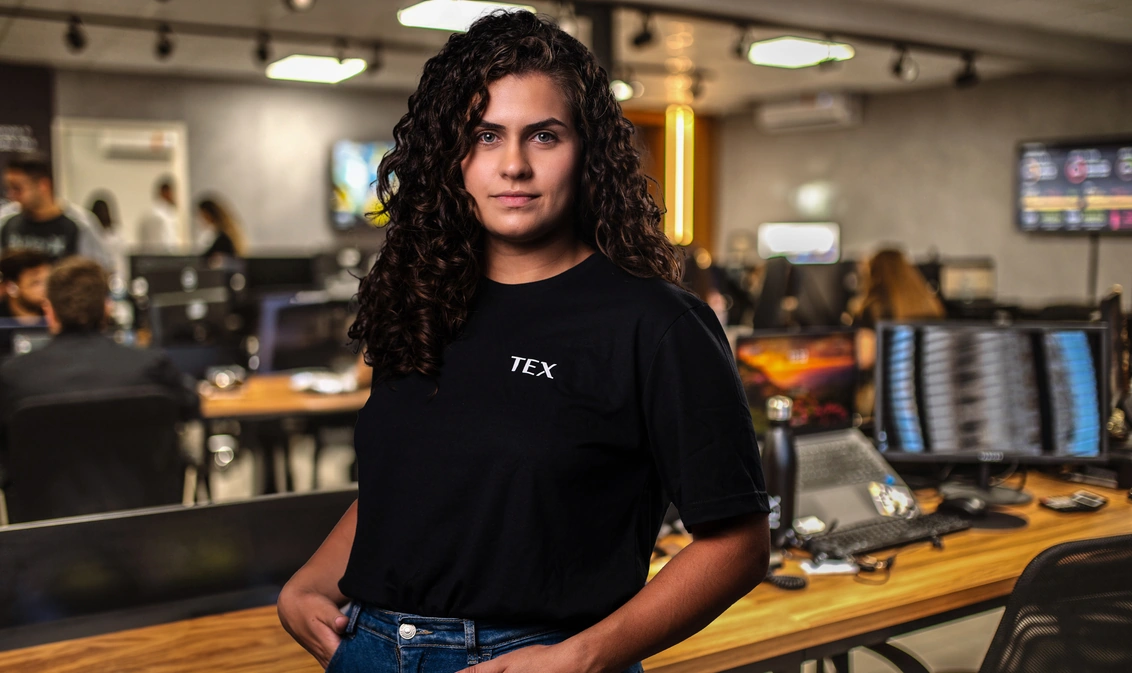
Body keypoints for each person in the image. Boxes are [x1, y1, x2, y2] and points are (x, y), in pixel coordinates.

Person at [278, 12, 769, 673]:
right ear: (452, 154)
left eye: (543, 135)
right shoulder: (420, 300)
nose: (513, 165)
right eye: (485, 135)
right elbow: (412, 484)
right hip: (367, 645)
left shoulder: (657, 324)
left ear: (586, 149)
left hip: (543, 659)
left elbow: (737, 542)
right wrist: (308, 582)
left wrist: (583, 657)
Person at [0, 257, 199, 425]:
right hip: (132, 471)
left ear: (50, 312)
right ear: (107, 309)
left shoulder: (13, 377)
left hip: (42, 473)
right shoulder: (152, 368)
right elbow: (190, 406)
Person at [854, 248, 946, 413]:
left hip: (887, 396)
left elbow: (864, 357)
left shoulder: (873, 307)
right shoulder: (931, 305)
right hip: (928, 392)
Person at [1, 152, 110, 266]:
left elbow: (98, 270)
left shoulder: (80, 224)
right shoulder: (5, 220)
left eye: (17, 188)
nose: (11, 195)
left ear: (43, 185)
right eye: (9, 188)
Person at [0, 249, 52, 321]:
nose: (46, 288)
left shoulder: (58, 319)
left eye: (48, 281)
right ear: (11, 287)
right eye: (36, 283)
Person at [89, 194, 129, 283]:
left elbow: (121, 261)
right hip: (96, 277)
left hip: (115, 277)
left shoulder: (116, 234)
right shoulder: (90, 234)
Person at [196, 196, 247, 261]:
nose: (201, 219)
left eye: (202, 215)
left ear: (208, 214)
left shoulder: (223, 237)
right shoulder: (221, 233)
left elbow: (207, 257)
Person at [137, 177, 180, 252]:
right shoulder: (159, 215)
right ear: (165, 192)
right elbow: (164, 241)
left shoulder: (156, 213)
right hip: (162, 256)